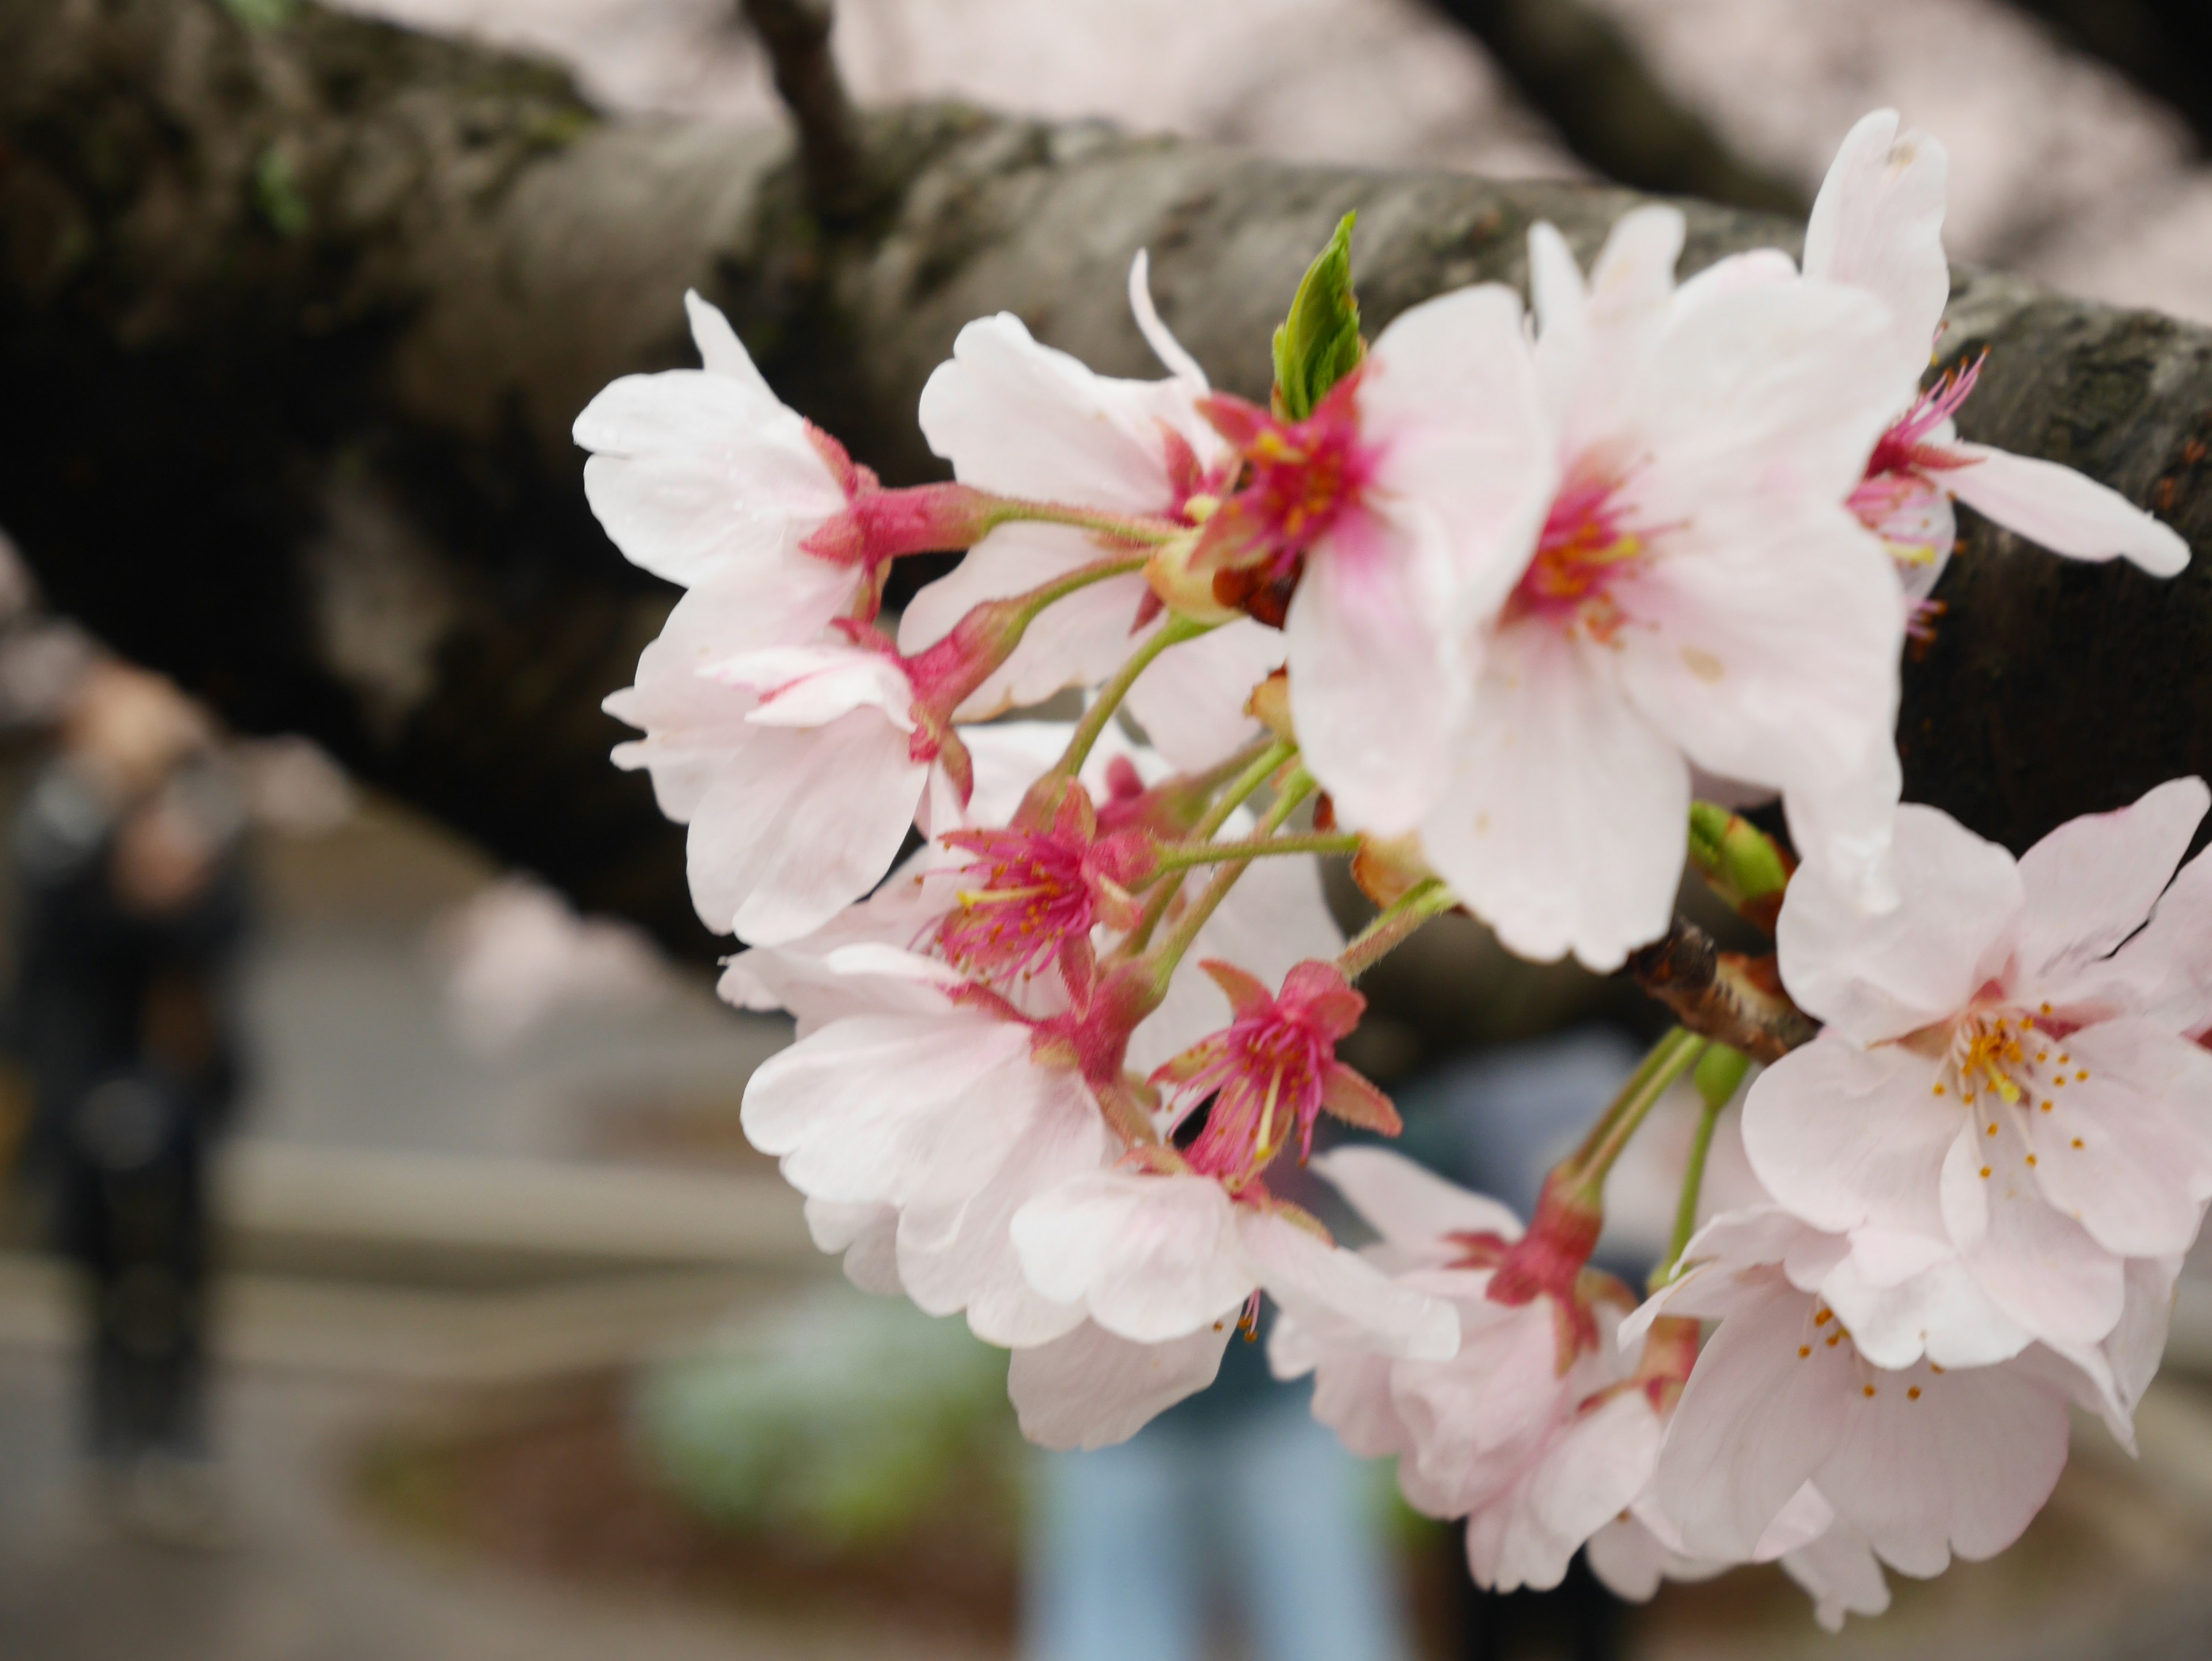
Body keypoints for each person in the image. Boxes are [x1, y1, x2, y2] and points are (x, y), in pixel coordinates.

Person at [9, 664, 249, 1546]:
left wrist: (176, 888)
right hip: (79, 1079)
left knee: (182, 1266)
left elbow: (231, 931)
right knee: (97, 1266)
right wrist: (129, 878)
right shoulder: (62, 815)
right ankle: (111, 1439)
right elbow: (57, 938)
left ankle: (177, 1441)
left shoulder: (201, 808)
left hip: (176, 1076)